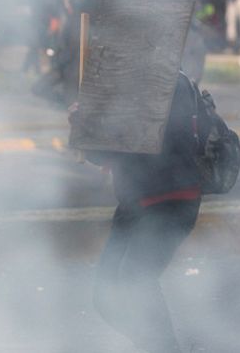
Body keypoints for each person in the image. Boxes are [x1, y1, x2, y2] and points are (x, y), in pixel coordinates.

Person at [69, 71, 201, 353]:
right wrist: (84, 123)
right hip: (135, 201)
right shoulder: (123, 80)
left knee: (136, 279)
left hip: (169, 200)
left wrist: (91, 125)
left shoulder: (167, 82)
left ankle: (165, 347)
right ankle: (157, 344)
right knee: (105, 296)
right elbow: (102, 155)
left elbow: (132, 146)